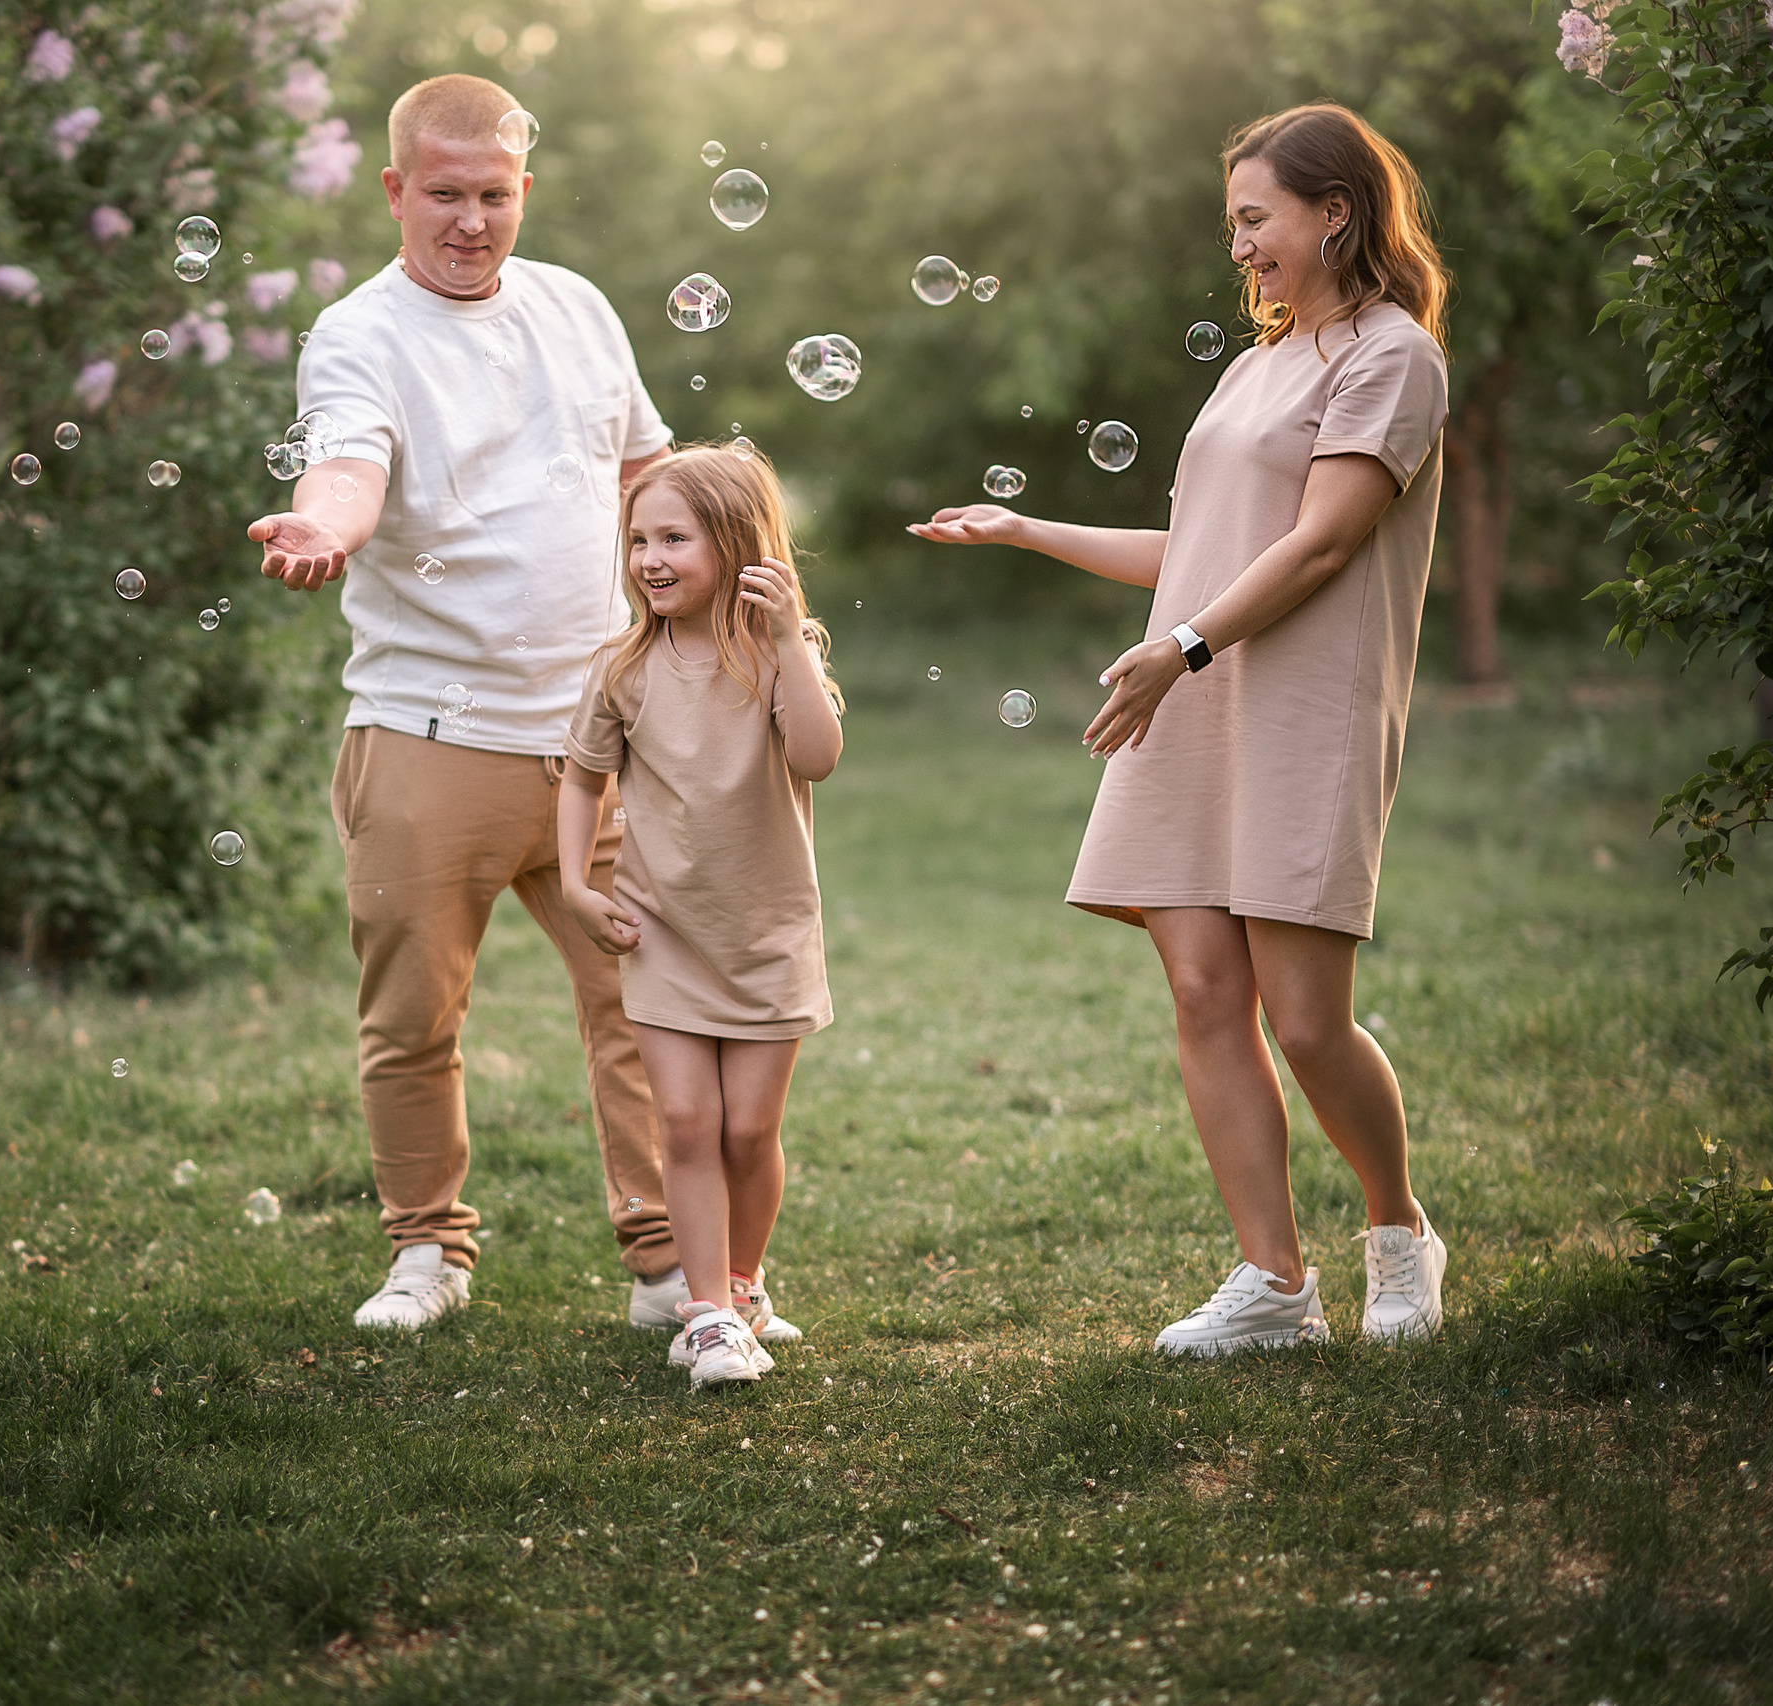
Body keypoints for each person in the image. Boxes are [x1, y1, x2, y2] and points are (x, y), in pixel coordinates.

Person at [910, 103, 1453, 1356]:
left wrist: (1182, 648)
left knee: (1305, 1018)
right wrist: (1028, 530)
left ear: (1335, 211)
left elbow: (1321, 543)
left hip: (1297, 704)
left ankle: (1397, 1231)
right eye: (1231, 225)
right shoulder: (1255, 364)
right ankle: (1274, 1282)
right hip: (1196, 684)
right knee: (1206, 991)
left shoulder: (1392, 357)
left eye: (1256, 219)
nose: (1240, 246)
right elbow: (1202, 550)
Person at [244, 73, 687, 1333]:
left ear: (523, 189)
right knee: (411, 1020)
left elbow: (644, 469)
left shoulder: (578, 307)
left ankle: (670, 1266)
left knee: (647, 1004)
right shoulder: (357, 335)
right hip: (427, 736)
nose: (471, 221)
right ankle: (426, 1251)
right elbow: (348, 462)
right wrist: (325, 528)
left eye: (494, 195)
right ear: (395, 190)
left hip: (599, 737)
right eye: (444, 194)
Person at [560, 446, 842, 1389]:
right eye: (639, 539)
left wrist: (790, 638)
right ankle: (710, 1315)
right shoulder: (623, 668)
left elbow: (818, 757)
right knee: (685, 1122)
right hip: (662, 929)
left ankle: (745, 1285)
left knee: (749, 1131)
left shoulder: (776, 657)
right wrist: (577, 884)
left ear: (736, 543)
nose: (650, 558)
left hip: (766, 934)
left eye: (674, 538)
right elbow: (583, 779)